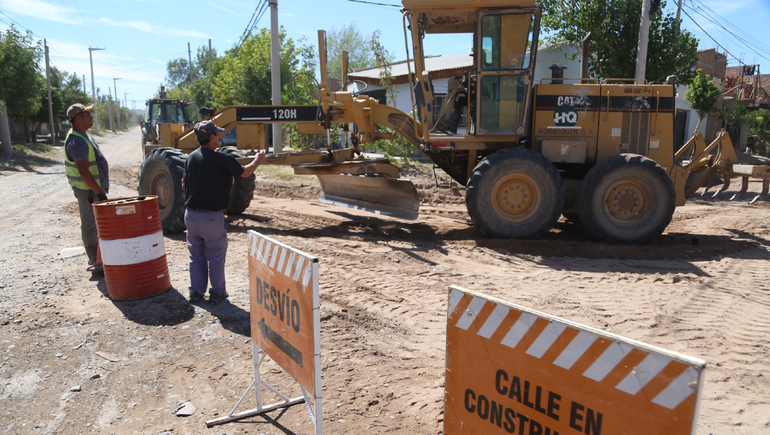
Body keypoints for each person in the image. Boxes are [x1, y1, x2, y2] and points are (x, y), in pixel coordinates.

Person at [182, 120, 266, 303]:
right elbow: (244, 172)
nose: (219, 138)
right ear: (211, 137)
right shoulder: (221, 159)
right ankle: (218, 292)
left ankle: (196, 293)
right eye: (218, 134)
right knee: (216, 257)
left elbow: (183, 185)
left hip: (191, 216)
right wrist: (258, 160)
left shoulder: (190, 158)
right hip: (212, 218)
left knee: (196, 256)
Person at [63, 103, 109, 276]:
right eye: (87, 114)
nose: (91, 116)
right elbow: (84, 171)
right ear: (78, 118)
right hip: (88, 192)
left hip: (93, 190)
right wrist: (99, 192)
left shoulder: (85, 136)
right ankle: (95, 262)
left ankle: (101, 259)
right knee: (90, 226)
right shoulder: (76, 142)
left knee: (100, 225)